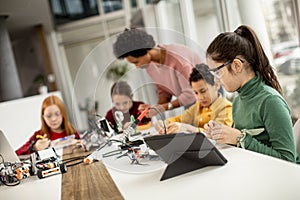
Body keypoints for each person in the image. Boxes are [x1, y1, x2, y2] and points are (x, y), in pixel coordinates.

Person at [204, 25, 297, 162]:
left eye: (217, 72)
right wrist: (221, 135)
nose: (215, 80)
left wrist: (240, 138)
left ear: (237, 65)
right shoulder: (238, 100)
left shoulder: (270, 101)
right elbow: (243, 146)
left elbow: (288, 160)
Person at [113, 28, 202, 116]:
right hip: (191, 107)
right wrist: (154, 108)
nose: (137, 66)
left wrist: (162, 108)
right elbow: (164, 92)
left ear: (145, 51)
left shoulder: (179, 60)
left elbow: (190, 96)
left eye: (136, 62)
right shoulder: (150, 65)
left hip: (207, 102)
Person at [156, 64, 233, 134]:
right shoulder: (197, 107)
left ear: (216, 85)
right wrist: (164, 123)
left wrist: (189, 128)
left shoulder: (226, 108)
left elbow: (218, 134)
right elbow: (180, 119)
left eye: (203, 91)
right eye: (196, 93)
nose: (200, 97)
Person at [16, 95, 81, 155]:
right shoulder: (38, 136)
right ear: (43, 117)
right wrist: (34, 148)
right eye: (48, 116)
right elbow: (17, 154)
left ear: (63, 114)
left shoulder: (72, 132)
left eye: (57, 114)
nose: (53, 119)